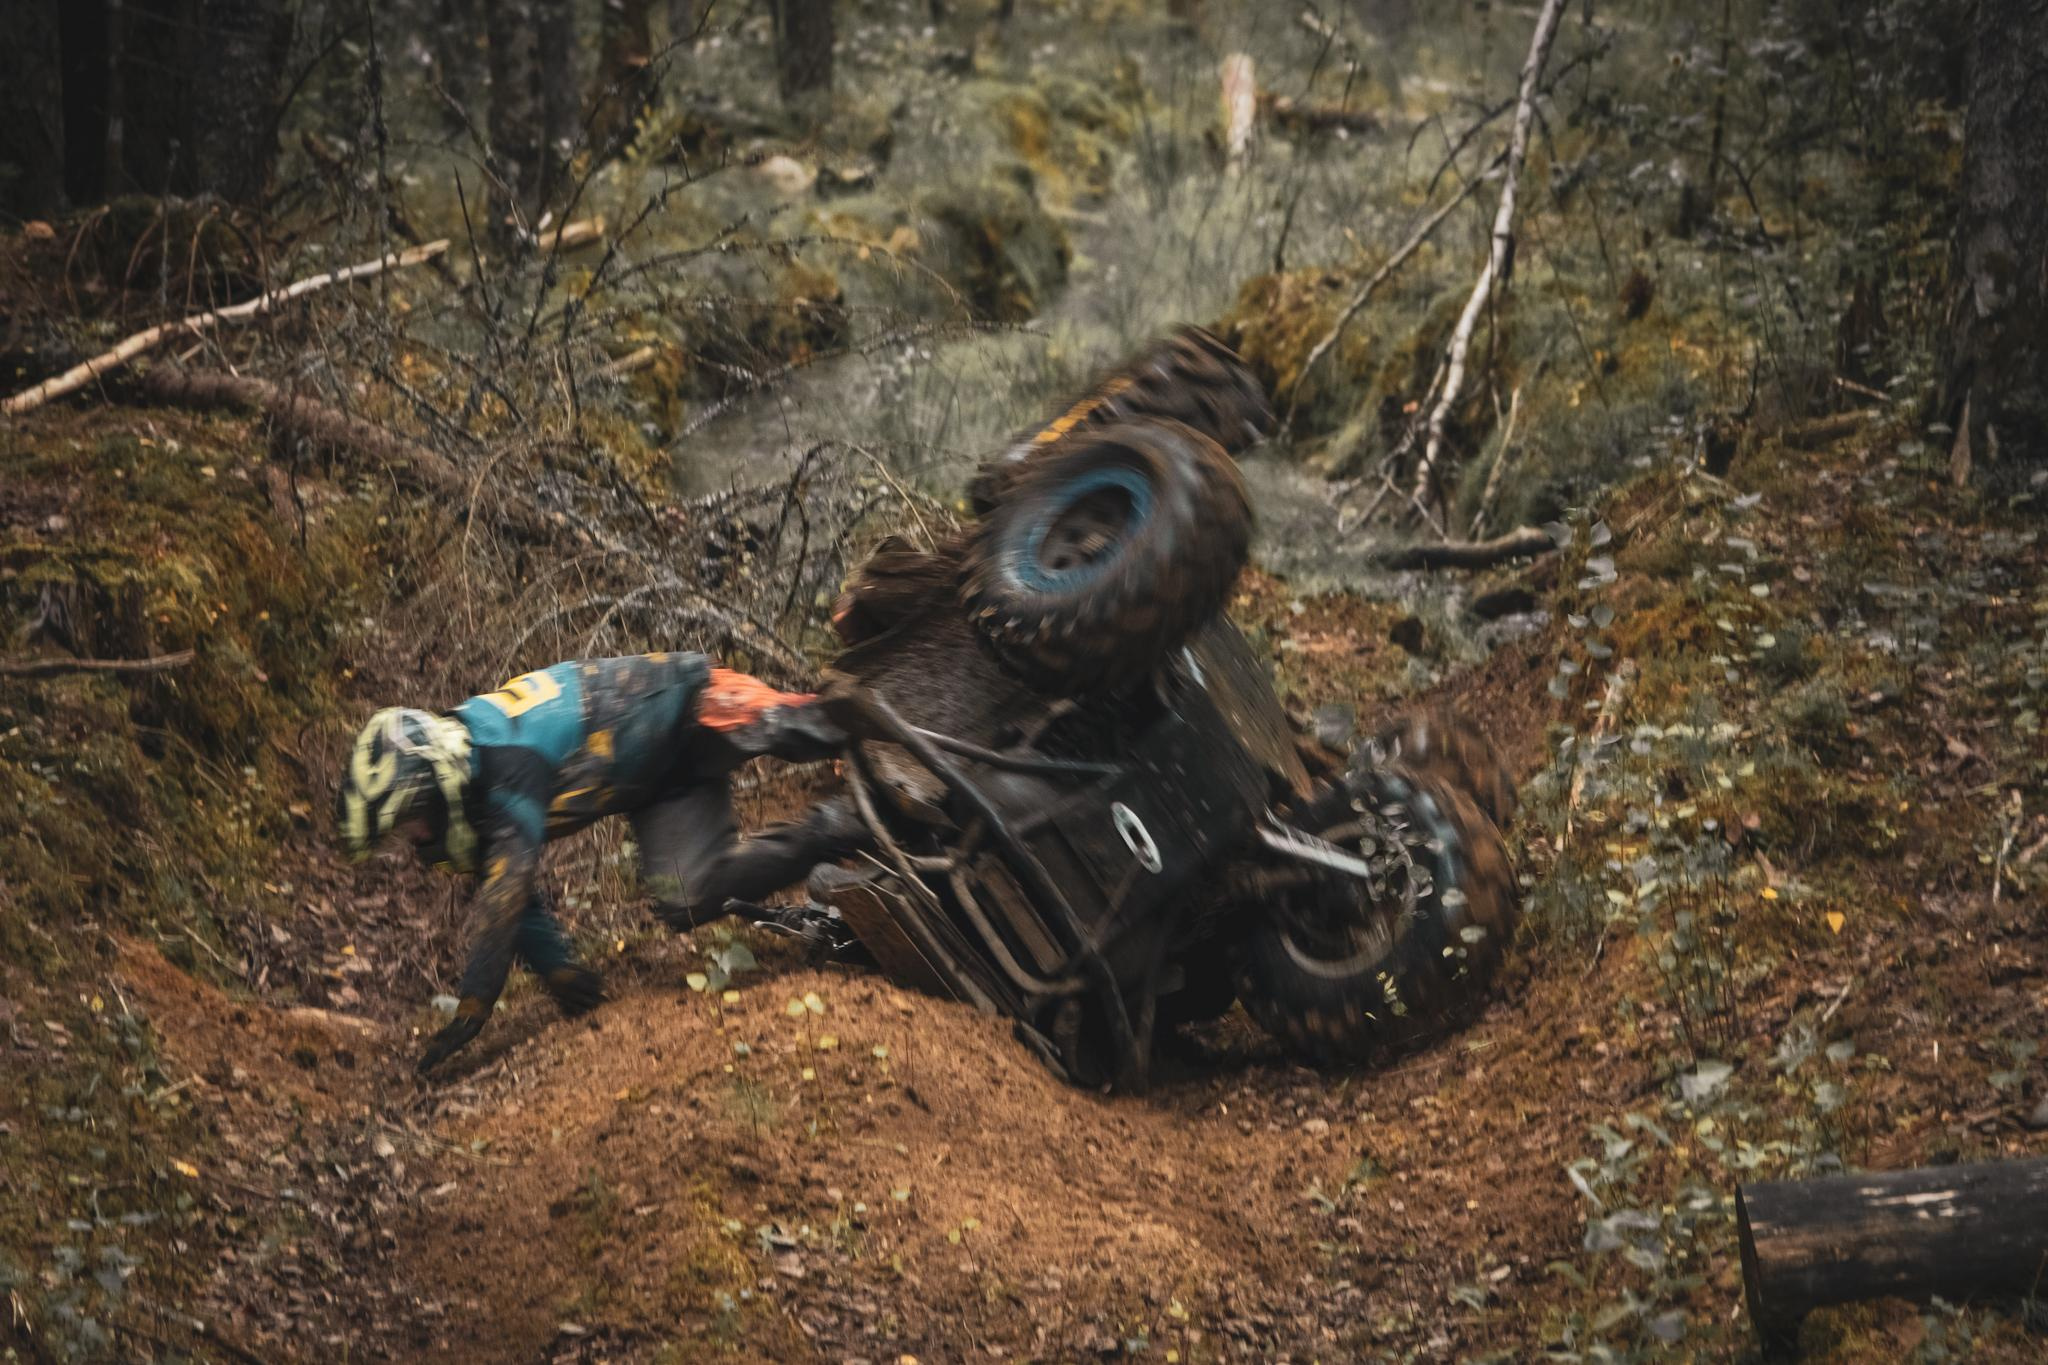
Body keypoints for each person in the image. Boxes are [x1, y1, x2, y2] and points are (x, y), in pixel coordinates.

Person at [335, 652, 857, 1071]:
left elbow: (506, 893)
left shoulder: (503, 762)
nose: (414, 836)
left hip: (687, 702)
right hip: (662, 783)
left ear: (433, 780)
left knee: (823, 730)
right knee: (687, 898)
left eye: (411, 817)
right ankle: (838, 827)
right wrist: (562, 974)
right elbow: (512, 896)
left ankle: (892, 718)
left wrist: (474, 1005)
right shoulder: (473, 790)